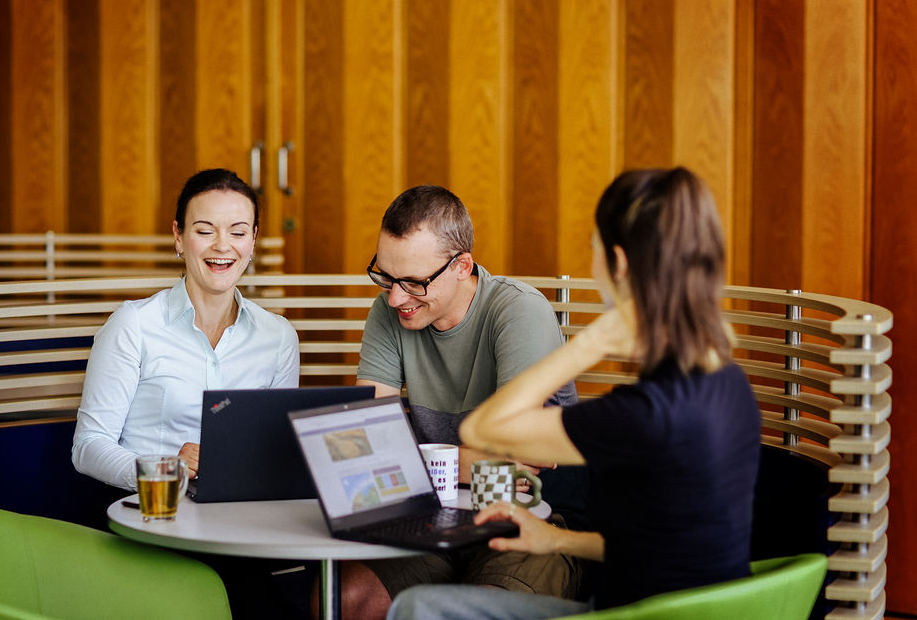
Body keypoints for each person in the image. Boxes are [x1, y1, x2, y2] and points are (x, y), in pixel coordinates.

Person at [386, 167, 762, 619]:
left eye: (594, 251)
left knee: (417, 608)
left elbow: (484, 427)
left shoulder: (644, 415)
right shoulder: (727, 384)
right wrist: (558, 540)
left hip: (636, 615)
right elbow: (672, 542)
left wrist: (592, 342)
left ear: (618, 264)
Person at [334, 184, 582, 620]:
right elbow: (369, 445)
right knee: (346, 600)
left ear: (461, 266)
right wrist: (466, 462)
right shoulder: (390, 310)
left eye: (413, 282)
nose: (395, 298)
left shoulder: (518, 311)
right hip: (431, 519)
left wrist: (409, 462)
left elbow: (521, 459)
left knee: (473, 609)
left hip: (532, 518)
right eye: (386, 277)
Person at [72, 168, 299, 491]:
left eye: (238, 233)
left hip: (241, 515)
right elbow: (88, 447)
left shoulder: (279, 337)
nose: (223, 246)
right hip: (155, 512)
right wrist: (164, 471)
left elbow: (277, 448)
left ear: (253, 242)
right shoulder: (133, 325)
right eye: (205, 231)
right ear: (178, 237)